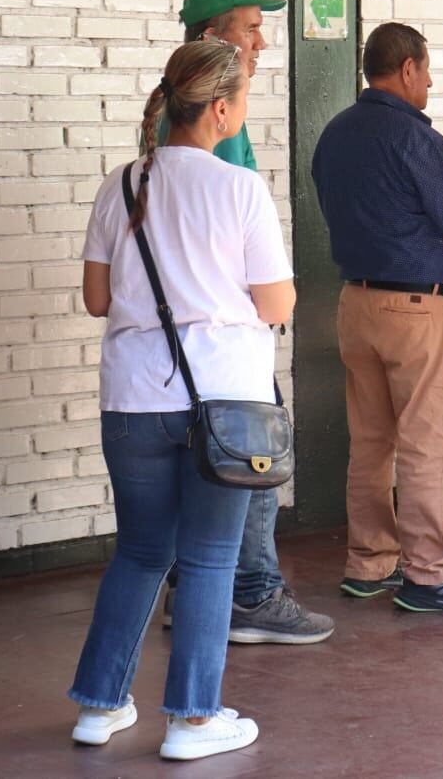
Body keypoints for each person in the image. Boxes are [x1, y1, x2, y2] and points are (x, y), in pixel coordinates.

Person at [69, 39, 286, 762]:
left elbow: (97, 299)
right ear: (220, 109)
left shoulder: (121, 185)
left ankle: (99, 706)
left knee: (139, 553)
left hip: (131, 399)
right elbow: (277, 303)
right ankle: (193, 721)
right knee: (210, 559)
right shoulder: (240, 189)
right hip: (224, 404)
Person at [156, 0, 333, 646]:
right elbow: (240, 255)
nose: (263, 41)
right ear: (213, 37)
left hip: (181, 349)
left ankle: (191, 587)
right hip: (229, 344)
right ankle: (253, 593)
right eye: (251, 28)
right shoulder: (216, 127)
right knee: (253, 464)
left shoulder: (170, 123)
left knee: (204, 468)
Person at [312, 22, 443, 613]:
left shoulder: (335, 133)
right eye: (427, 69)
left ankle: (369, 565)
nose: (431, 82)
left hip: (357, 303)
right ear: (409, 68)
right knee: (426, 444)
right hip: (415, 311)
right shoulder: (416, 138)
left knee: (371, 443)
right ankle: (431, 576)